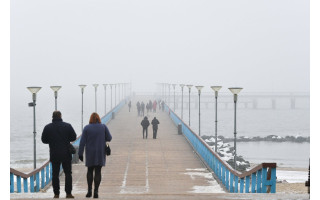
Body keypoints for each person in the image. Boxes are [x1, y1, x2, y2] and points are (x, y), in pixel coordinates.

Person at [41, 111, 77, 199]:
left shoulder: (48, 127)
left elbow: (44, 140)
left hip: (54, 153)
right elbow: (73, 137)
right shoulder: (67, 126)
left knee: (55, 174)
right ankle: (68, 193)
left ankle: (56, 194)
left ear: (52, 117)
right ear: (61, 116)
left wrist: (52, 140)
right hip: (66, 153)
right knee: (68, 173)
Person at [78, 113, 112, 199]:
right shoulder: (103, 127)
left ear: (90, 119)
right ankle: (96, 191)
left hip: (90, 153)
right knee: (98, 171)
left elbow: (82, 142)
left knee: (89, 170)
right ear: (98, 119)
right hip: (100, 152)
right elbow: (109, 137)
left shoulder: (86, 128)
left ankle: (89, 191)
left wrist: (80, 153)